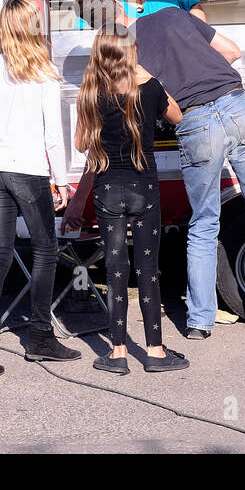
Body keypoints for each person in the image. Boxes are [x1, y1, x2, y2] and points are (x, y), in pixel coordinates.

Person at [74, 0, 245, 341]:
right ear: (119, 3)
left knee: (203, 224)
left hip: (196, 122)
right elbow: (232, 51)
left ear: (92, 25)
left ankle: (200, 322)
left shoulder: (123, 55)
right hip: (237, 104)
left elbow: (141, 108)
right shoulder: (172, 14)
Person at [0, 0, 80, 375]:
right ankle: (40, 336)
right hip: (28, 171)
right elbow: (53, 135)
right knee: (46, 250)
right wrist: (61, 180)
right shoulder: (43, 71)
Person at [74, 29, 189, 374]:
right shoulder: (149, 88)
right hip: (144, 189)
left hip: (108, 188)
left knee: (115, 269)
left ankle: (118, 353)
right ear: (130, 52)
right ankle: (154, 351)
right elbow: (178, 116)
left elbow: (81, 144)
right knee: (147, 270)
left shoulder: (91, 94)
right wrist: (149, 77)